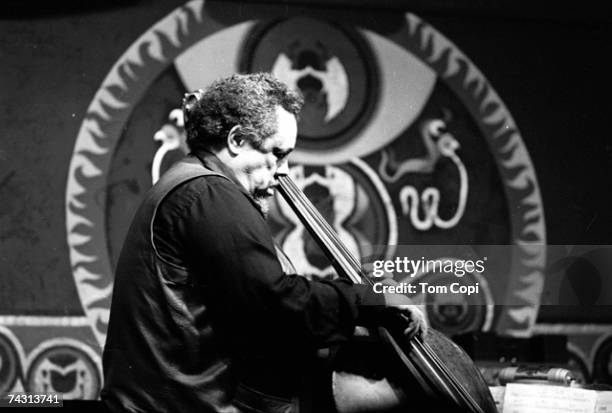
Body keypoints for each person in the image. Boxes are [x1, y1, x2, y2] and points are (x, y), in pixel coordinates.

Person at [101, 73, 427, 413]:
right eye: (277, 154)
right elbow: (275, 304)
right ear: (237, 140)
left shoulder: (190, 184)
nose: (283, 172)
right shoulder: (209, 193)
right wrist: (371, 298)